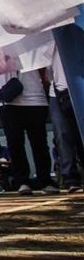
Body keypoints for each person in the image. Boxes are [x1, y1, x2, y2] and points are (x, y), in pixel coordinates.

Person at [0, 69, 59, 194]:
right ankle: (22, 181)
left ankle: (45, 180)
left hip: (35, 97)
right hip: (8, 100)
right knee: (14, 143)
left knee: (39, 142)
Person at [48, 51, 84, 192]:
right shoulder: (46, 36)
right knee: (62, 135)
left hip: (78, 84)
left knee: (80, 133)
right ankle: (71, 178)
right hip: (57, 91)